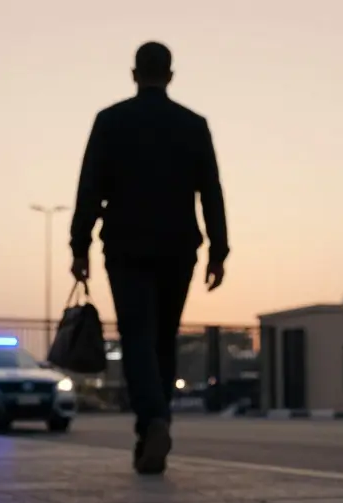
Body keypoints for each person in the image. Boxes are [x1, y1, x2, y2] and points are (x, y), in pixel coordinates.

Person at [68, 41, 229, 475]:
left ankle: (153, 422)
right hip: (179, 246)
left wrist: (78, 245)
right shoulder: (193, 125)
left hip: (126, 245)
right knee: (163, 339)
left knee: (137, 336)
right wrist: (219, 250)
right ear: (171, 76)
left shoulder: (111, 121)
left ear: (134, 74)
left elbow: (89, 188)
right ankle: (154, 429)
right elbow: (210, 190)